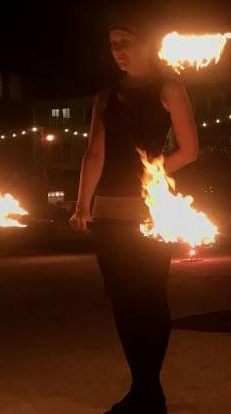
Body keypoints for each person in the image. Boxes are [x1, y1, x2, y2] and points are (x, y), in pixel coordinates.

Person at [70, 24, 198, 414]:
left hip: (149, 213)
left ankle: (149, 390)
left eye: (125, 42)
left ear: (147, 43)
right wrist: (81, 205)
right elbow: (94, 154)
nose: (118, 50)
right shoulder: (106, 97)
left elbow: (190, 150)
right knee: (122, 301)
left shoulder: (169, 88)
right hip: (108, 214)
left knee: (150, 299)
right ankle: (143, 388)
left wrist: (153, 173)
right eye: (112, 44)